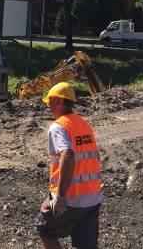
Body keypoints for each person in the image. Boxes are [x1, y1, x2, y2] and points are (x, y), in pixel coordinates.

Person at [36, 82, 102, 249]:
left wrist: (60, 196)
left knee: (44, 229)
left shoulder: (58, 127)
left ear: (59, 101)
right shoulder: (83, 124)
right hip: (92, 197)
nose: (49, 106)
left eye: (50, 101)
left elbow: (68, 154)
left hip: (71, 197)